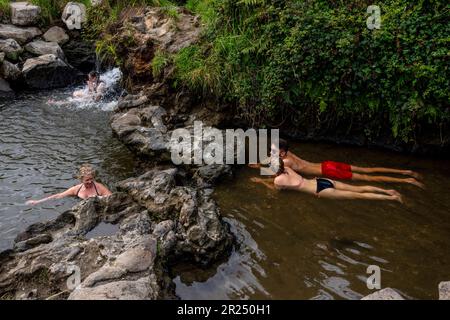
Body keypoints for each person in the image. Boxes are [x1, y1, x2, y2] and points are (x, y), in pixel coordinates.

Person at [252, 139, 424, 188]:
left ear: (281, 153)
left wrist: (261, 176)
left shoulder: (286, 161)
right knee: (367, 169)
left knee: (365, 178)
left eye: (273, 151)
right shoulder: (289, 154)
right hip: (327, 164)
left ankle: (407, 181)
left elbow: (278, 173)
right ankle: (405, 172)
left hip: (329, 172)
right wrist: (261, 164)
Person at [251, 157, 403, 203]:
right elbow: (276, 171)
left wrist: (261, 182)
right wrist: (259, 167)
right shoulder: (288, 169)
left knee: (360, 196)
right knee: (359, 188)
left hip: (320, 190)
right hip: (321, 181)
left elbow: (275, 187)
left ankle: (392, 198)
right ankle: (387, 191)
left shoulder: (279, 181)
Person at [26, 164, 112, 205]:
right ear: (81, 179)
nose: (90, 181)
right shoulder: (76, 189)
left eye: (91, 179)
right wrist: (38, 201)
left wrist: (100, 198)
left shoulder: (99, 187)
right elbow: (59, 195)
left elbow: (112, 198)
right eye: (87, 180)